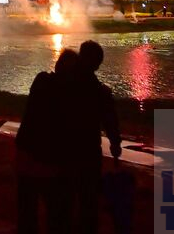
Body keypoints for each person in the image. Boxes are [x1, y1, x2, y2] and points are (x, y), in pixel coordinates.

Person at [60, 40, 122, 234]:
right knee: (88, 200)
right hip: (87, 152)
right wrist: (115, 143)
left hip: (63, 149)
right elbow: (110, 120)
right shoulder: (99, 91)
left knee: (65, 200)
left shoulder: (63, 83)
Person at [16, 49, 79, 234]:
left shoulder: (41, 81)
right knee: (57, 212)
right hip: (48, 160)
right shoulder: (67, 93)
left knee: (28, 210)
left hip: (28, 155)